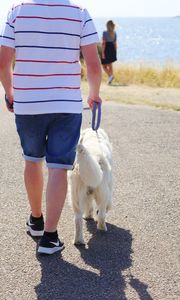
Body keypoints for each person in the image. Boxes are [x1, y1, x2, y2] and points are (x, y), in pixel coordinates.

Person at [0, 0, 102, 255]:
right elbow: (93, 63)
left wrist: (10, 93)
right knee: (58, 168)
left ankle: (36, 220)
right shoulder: (79, 14)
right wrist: (94, 94)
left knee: (32, 160)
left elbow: (3, 62)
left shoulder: (17, 11)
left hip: (28, 104)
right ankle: (49, 237)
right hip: (66, 105)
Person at [101, 20, 117, 85]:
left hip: (107, 49)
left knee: (103, 65)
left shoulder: (105, 33)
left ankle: (110, 76)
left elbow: (103, 43)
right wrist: (115, 52)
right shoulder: (114, 33)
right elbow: (115, 43)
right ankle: (110, 78)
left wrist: (102, 53)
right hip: (112, 49)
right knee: (110, 64)